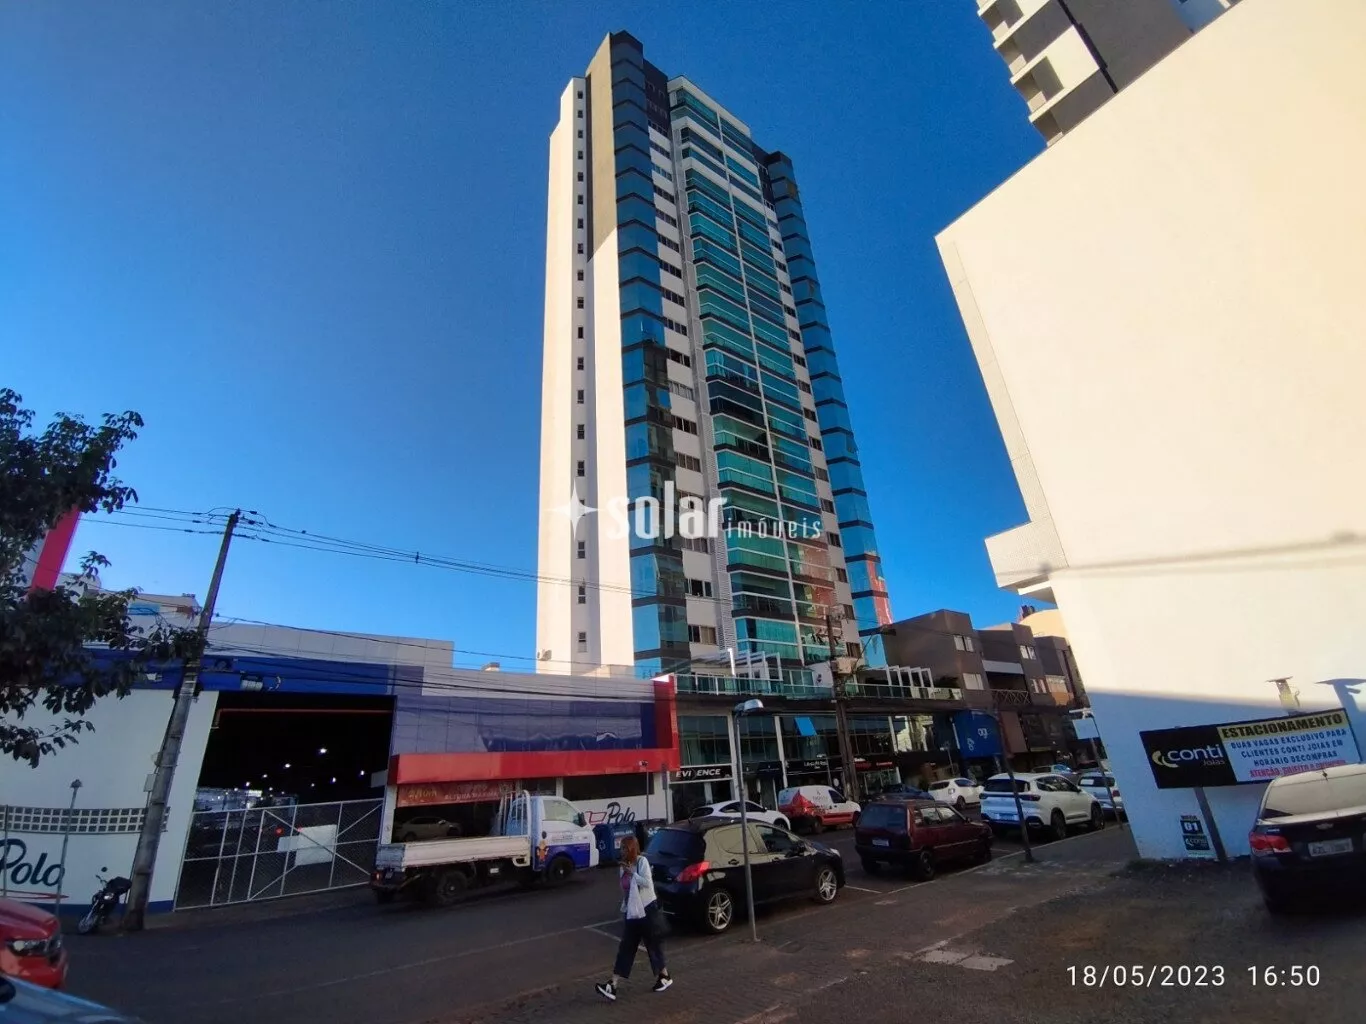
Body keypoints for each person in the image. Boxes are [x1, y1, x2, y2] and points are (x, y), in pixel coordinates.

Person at [594, 835, 671, 1001]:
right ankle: (612, 984)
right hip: (632, 911)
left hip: (647, 909)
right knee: (626, 946)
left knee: (652, 944)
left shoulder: (642, 862)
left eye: (624, 848)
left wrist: (632, 873)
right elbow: (626, 890)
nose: (622, 851)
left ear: (632, 849)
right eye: (621, 848)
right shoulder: (623, 867)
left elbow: (647, 883)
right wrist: (625, 906)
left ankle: (664, 975)